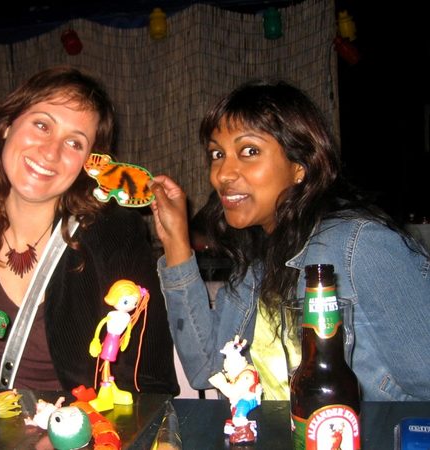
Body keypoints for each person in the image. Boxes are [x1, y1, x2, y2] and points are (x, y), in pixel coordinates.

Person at [149, 80, 430, 401]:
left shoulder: (360, 247)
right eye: (217, 154)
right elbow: (207, 369)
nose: (222, 174)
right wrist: (176, 240)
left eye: (249, 151)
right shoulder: (257, 265)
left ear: (300, 165)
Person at [0, 66, 179, 395]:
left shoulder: (114, 232)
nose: (50, 152)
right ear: (7, 125)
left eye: (74, 142)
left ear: (91, 163)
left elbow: (148, 378)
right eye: (42, 125)